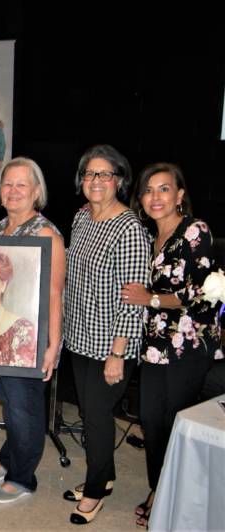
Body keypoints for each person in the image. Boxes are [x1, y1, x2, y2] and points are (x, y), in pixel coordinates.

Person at [120, 162, 222, 527]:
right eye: (148, 190)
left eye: (164, 189)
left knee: (174, 420)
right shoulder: (148, 238)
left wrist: (151, 299)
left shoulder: (195, 231)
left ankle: (167, 495)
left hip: (188, 345)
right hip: (154, 345)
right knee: (150, 419)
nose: (155, 197)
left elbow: (202, 294)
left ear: (180, 195)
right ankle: (158, 487)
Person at [63, 145, 150, 524]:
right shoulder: (81, 218)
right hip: (79, 338)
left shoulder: (130, 228)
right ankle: (106, 474)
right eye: (89, 174)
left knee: (97, 417)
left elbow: (133, 299)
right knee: (88, 413)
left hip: (110, 345)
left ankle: (96, 489)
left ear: (119, 180)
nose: (96, 181)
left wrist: (118, 353)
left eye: (104, 174)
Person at [0, 157, 65, 503]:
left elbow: (55, 293)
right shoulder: (0, 230)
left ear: (36, 191)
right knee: (8, 401)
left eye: (21, 185)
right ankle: (11, 458)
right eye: (7, 184)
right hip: (0, 333)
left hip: (30, 338)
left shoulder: (46, 234)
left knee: (24, 406)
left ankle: (24, 477)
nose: (12, 191)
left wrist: (52, 345)